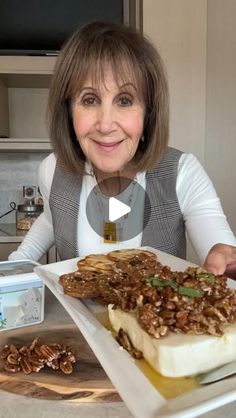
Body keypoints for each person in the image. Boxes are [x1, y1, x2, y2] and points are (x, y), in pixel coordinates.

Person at [9, 21, 236, 279]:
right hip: (76, 320)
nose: (106, 125)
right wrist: (15, 265)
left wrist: (224, 258)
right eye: (90, 100)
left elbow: (221, 250)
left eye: (125, 100)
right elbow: (51, 219)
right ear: (69, 111)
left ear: (147, 112)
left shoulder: (183, 173)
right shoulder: (52, 169)